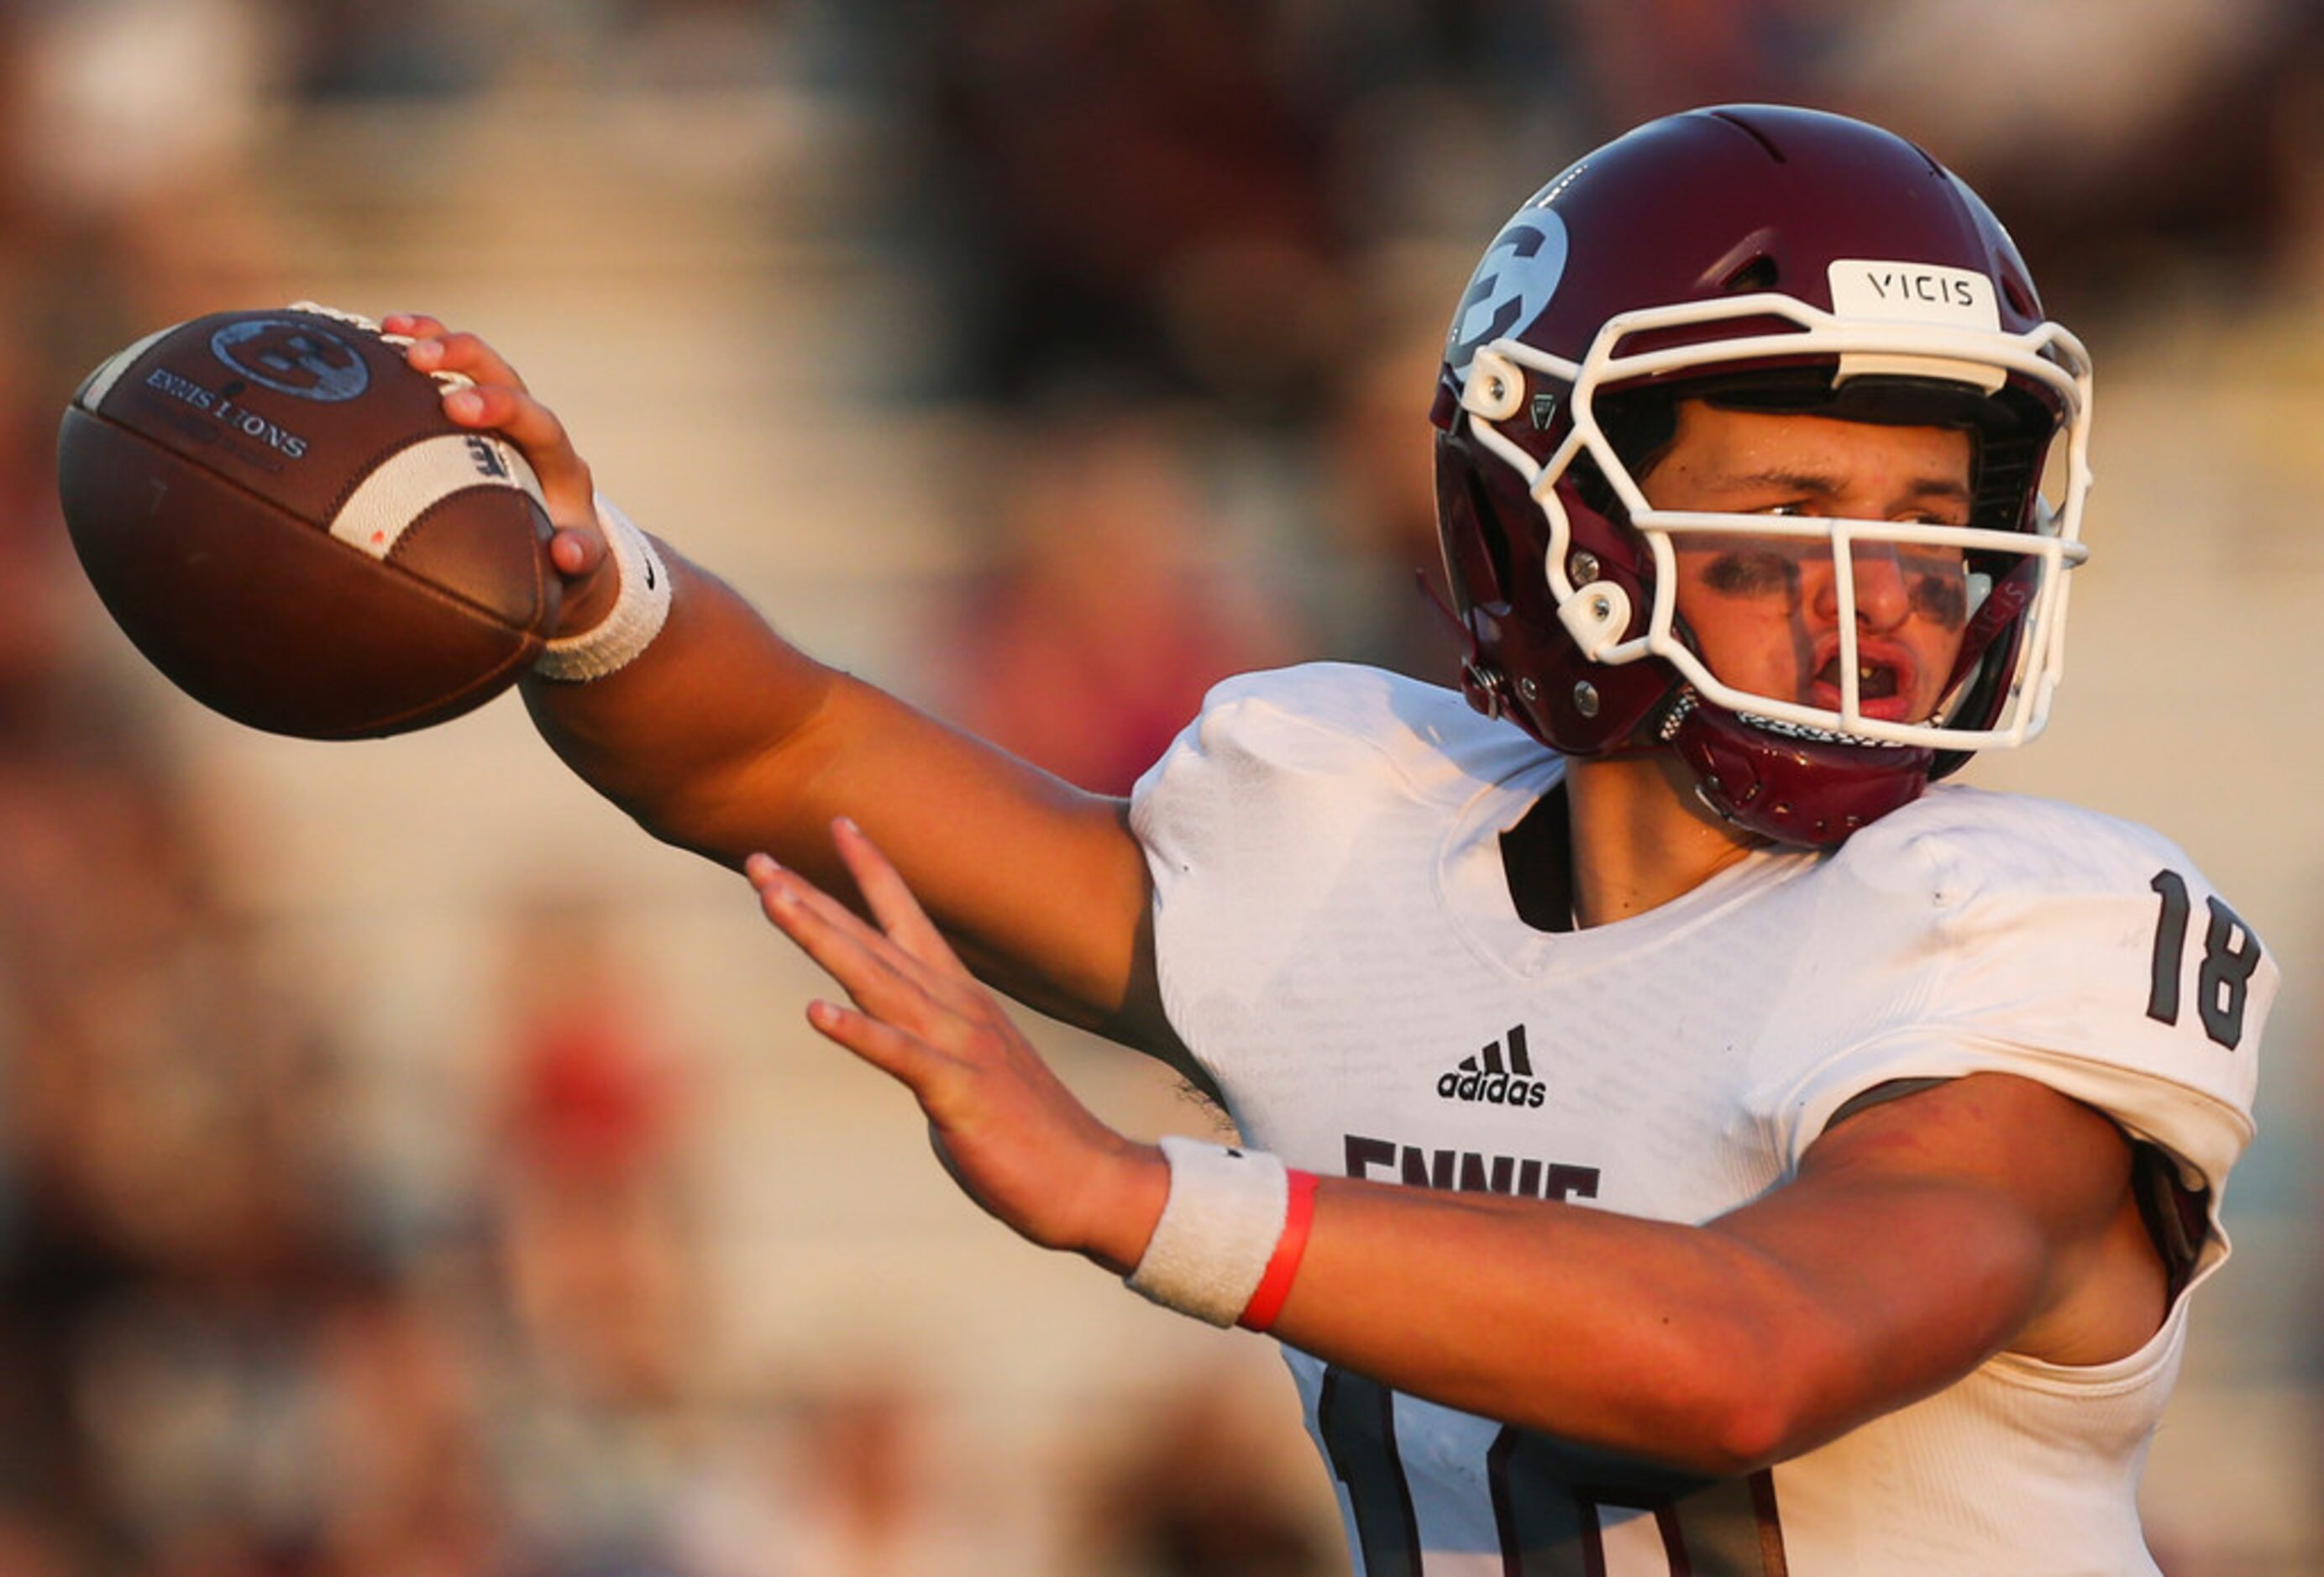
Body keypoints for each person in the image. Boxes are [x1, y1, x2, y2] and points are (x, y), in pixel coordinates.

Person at [383, 105, 2271, 1574]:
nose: (1880, 603)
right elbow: (780, 748)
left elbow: (1748, 1353)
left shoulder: (2018, 942)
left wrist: (1146, 1199)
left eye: (1926, 526)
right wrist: (582, 581)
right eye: (1789, 509)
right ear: (1568, 532)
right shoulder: (1356, 855)